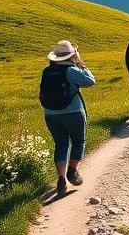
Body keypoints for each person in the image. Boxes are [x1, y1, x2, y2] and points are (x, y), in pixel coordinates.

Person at [40, 40, 95, 198]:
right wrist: (80, 62)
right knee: (78, 141)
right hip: (73, 112)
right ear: (71, 55)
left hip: (50, 114)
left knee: (61, 143)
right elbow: (90, 81)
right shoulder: (71, 70)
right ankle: (72, 171)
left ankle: (61, 180)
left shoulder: (46, 71)